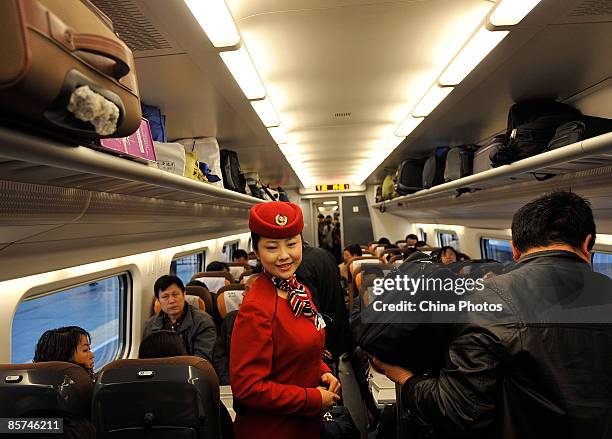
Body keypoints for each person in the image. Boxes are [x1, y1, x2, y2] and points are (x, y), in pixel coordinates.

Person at [371, 191, 612, 438]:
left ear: (515, 250)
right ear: (586, 243)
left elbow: (459, 412)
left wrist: (405, 378)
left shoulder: (485, 300)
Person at [230, 201, 341, 439]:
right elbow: (247, 387)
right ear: (257, 251)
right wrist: (312, 399)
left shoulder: (299, 291)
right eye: (272, 247)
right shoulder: (256, 308)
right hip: (274, 430)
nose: (284, 256)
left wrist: (322, 371)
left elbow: (302, 348)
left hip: (306, 424)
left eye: (292, 244)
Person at [297, 243, 354, 360]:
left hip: (324, 335)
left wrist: (318, 342)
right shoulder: (324, 254)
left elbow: (312, 309)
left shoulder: (300, 266)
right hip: (338, 323)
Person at [143, 275, 216, 362]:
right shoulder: (150, 325)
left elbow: (201, 361)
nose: (171, 301)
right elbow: (147, 359)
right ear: (158, 300)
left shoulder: (203, 322)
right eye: (165, 297)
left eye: (175, 294)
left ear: (184, 294)